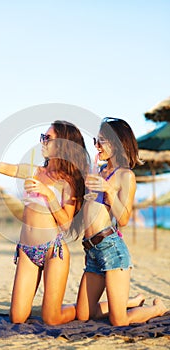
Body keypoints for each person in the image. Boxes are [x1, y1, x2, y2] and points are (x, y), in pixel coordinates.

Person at [0, 120, 90, 325]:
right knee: (17, 318)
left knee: (51, 318)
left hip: (53, 251)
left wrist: (49, 195)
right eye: (42, 137)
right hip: (26, 250)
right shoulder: (32, 171)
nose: (42, 142)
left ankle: (89, 309)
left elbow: (67, 224)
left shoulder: (68, 182)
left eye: (47, 138)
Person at [76, 117, 167, 326]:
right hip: (91, 251)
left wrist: (108, 190)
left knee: (119, 321)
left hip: (111, 250)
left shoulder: (125, 176)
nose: (96, 146)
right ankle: (128, 301)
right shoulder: (98, 172)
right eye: (95, 141)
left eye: (101, 142)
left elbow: (124, 218)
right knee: (83, 315)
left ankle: (156, 308)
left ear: (116, 143)